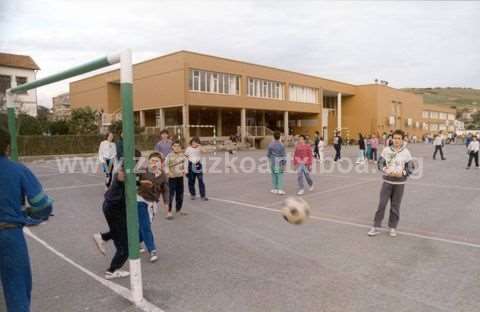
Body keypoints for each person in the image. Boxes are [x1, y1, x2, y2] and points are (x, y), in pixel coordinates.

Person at [0, 128, 54, 311]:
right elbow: (41, 205)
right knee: (17, 290)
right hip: (8, 235)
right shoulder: (17, 169)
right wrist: (31, 214)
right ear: (7, 148)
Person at [93, 150, 142, 278]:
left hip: (112, 207)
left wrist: (141, 182)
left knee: (121, 231)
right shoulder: (123, 170)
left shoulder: (129, 171)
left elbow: (133, 181)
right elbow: (122, 176)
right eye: (137, 160)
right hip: (114, 209)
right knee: (125, 246)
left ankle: (102, 237)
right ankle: (111, 270)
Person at [368, 129, 414, 237]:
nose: (396, 140)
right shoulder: (386, 150)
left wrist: (402, 173)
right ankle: (375, 226)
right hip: (387, 182)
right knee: (382, 204)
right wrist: (387, 170)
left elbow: (411, 167)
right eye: (395, 138)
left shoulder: (406, 152)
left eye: (399, 138)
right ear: (391, 139)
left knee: (395, 206)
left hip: (399, 184)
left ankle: (392, 227)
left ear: (403, 140)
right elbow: (380, 164)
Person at [137, 152, 169, 262]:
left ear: (161, 163)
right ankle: (152, 250)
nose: (154, 163)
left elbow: (165, 190)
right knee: (145, 226)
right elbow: (131, 179)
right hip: (140, 200)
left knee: (145, 226)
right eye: (152, 161)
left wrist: (166, 204)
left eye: (157, 161)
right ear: (148, 162)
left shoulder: (163, 175)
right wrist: (141, 182)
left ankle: (134, 242)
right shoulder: (143, 170)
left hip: (152, 203)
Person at [165, 141, 187, 219]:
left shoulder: (183, 156)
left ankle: (178, 209)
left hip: (180, 177)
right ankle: (169, 212)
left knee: (180, 194)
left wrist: (185, 171)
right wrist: (168, 173)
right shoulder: (169, 156)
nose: (176, 147)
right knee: (171, 195)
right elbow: (166, 165)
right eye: (175, 146)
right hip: (172, 178)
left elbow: (186, 164)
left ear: (181, 147)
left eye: (178, 146)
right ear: (172, 147)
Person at [267, 131, 286, 195]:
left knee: (274, 175)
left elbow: (268, 154)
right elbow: (283, 155)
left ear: (273, 137)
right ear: (280, 137)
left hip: (273, 161)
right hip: (279, 161)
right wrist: (284, 164)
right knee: (279, 175)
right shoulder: (281, 145)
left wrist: (270, 159)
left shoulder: (270, 144)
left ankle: (275, 188)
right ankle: (280, 189)